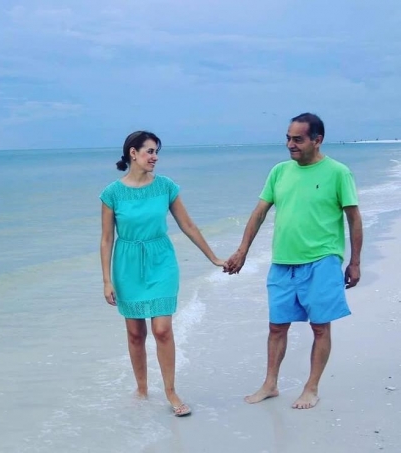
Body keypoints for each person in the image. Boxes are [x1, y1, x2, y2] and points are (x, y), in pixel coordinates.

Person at [224, 113, 363, 410]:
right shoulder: (279, 172)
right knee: (276, 326)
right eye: (288, 138)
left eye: (297, 139)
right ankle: (270, 384)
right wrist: (242, 250)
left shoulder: (338, 172)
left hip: (322, 260)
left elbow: (354, 219)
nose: (290, 144)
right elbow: (259, 212)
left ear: (317, 140)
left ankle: (311, 388)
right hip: (283, 262)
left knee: (320, 327)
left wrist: (354, 262)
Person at [99, 130, 225, 417]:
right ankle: (142, 389)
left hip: (161, 261)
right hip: (127, 264)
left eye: (156, 152)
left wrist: (213, 256)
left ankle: (170, 391)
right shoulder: (112, 194)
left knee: (162, 329)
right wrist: (107, 280)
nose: (155, 157)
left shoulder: (166, 187)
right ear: (133, 153)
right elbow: (107, 239)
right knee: (134, 333)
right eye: (150, 151)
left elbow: (188, 226)